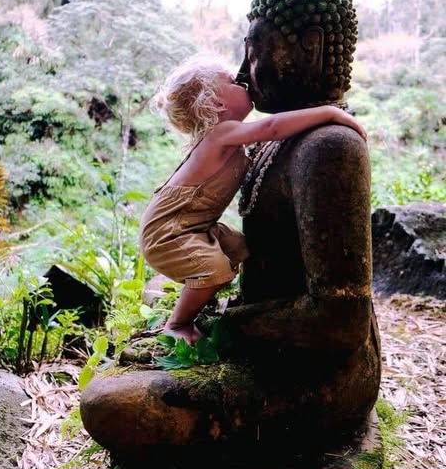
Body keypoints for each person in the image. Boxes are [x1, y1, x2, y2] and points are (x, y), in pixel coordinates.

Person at [139, 54, 367, 345]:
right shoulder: (219, 134)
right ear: (216, 104)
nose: (244, 81)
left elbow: (269, 131)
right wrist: (329, 113)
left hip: (192, 225)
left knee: (240, 248)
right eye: (233, 82)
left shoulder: (227, 138)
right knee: (214, 270)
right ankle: (178, 323)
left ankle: (204, 301)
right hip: (169, 232)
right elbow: (271, 127)